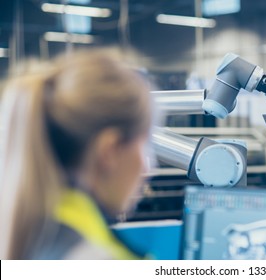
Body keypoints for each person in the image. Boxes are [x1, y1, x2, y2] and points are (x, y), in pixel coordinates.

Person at [0, 48, 156, 259]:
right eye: (144, 143)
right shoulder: (96, 260)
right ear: (109, 151)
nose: (148, 166)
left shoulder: (31, 232)